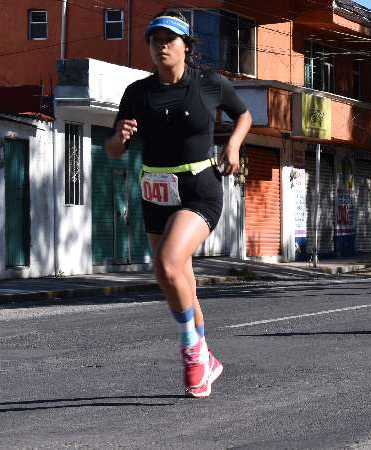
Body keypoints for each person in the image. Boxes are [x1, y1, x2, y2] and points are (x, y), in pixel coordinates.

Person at [105, 10, 252, 397]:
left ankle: (190, 349)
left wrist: (233, 145)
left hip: (199, 187)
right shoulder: (138, 92)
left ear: (186, 45)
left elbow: (244, 114)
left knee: (168, 262)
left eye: (169, 39)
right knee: (175, 277)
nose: (161, 45)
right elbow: (114, 150)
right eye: (155, 40)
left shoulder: (208, 84)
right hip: (155, 189)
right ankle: (207, 358)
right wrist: (120, 137)